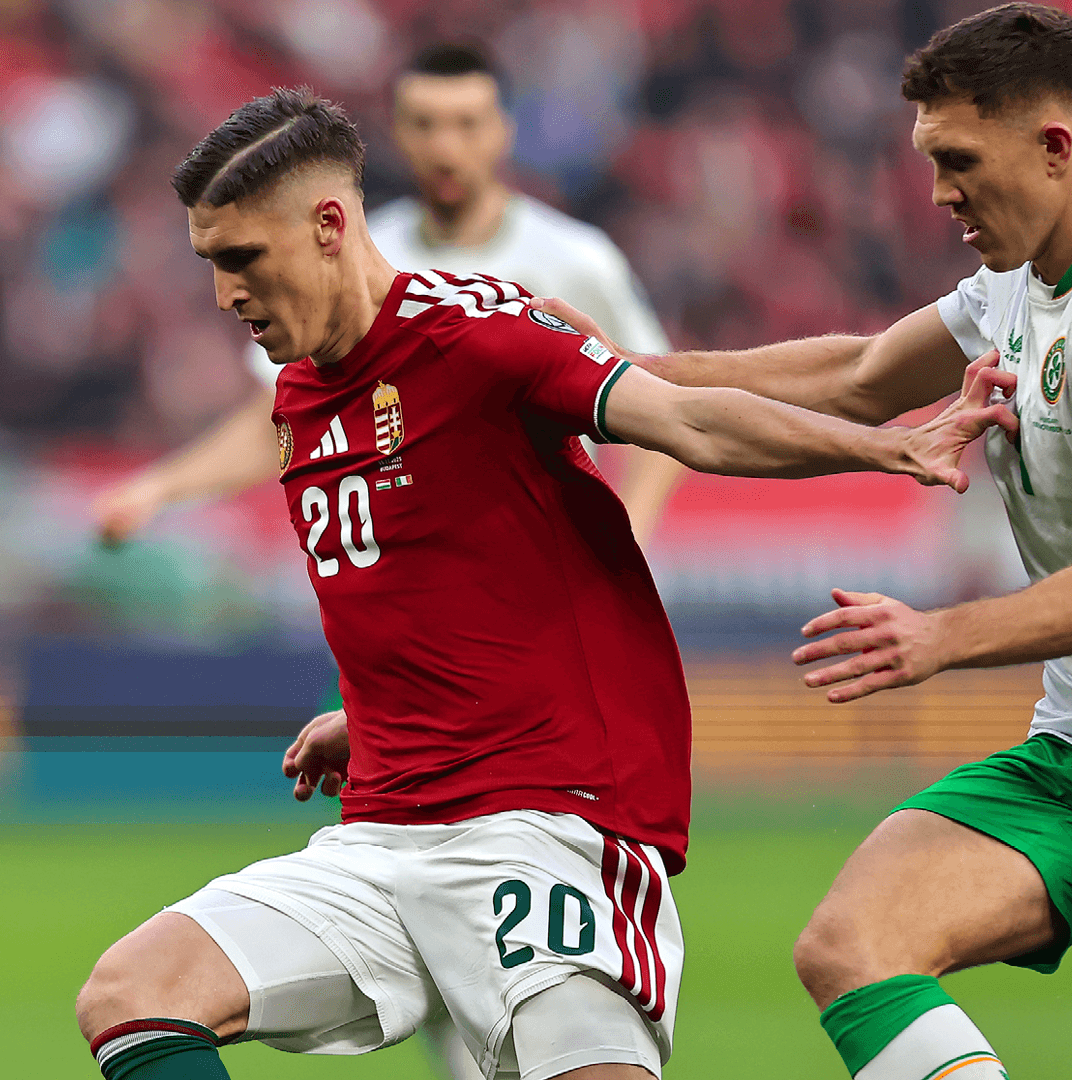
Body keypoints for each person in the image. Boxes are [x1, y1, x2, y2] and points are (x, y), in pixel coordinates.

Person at [73, 88, 1011, 1080]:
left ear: (328, 225)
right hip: (385, 837)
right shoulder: (300, 393)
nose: (226, 295)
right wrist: (380, 712)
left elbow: (687, 421)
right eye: (210, 265)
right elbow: (432, 572)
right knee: (134, 992)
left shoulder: (473, 332)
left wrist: (888, 448)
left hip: (548, 822)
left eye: (242, 259)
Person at [534, 7, 1072, 1080]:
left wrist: (938, 637)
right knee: (852, 948)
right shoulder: (1025, 275)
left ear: (1054, 145)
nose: (937, 194)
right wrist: (629, 375)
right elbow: (862, 376)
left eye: (958, 160)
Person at [90, 43, 684, 551]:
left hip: (533, 573)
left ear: (504, 130)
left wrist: (624, 539)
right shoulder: (356, 253)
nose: (445, 147)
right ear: (396, 134)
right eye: (424, 124)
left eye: (466, 124)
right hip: (398, 578)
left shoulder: (576, 261)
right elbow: (280, 418)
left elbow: (655, 403)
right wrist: (160, 489)